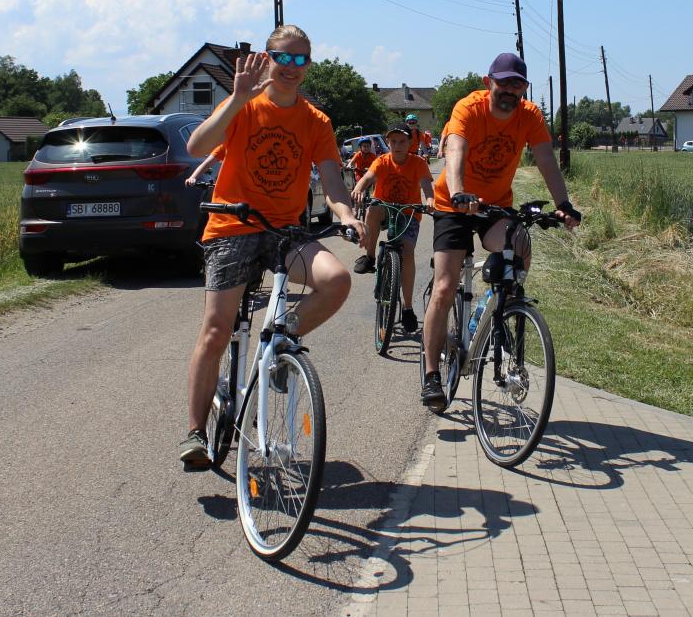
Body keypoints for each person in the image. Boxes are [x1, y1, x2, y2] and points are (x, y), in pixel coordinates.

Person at [179, 25, 365, 468]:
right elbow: (197, 145)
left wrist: (344, 214)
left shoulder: (315, 121)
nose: (292, 67)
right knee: (216, 329)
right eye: (284, 57)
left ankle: (281, 344)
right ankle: (195, 432)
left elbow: (332, 179)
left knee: (337, 280)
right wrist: (237, 98)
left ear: (309, 65)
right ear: (267, 58)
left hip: (284, 231)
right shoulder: (243, 104)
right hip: (232, 225)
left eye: (301, 59)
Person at [420, 53, 582, 410]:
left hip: (495, 206)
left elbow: (545, 159)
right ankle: (431, 375)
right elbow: (455, 149)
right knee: (445, 287)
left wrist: (563, 203)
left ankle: (500, 305)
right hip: (454, 204)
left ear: (524, 87)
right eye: (503, 82)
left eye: (517, 84)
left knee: (519, 244)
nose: (510, 90)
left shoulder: (530, 116)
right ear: (488, 82)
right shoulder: (469, 108)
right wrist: (459, 192)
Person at [350, 121, 435, 332]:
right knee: (373, 209)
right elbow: (368, 177)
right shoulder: (381, 161)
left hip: (409, 212)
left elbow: (426, 185)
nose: (397, 146)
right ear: (387, 143)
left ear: (410, 143)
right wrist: (359, 189)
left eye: (402, 141)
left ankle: (407, 307)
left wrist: (430, 199)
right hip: (385, 209)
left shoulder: (418, 163)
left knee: (407, 252)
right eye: (393, 141)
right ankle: (370, 257)